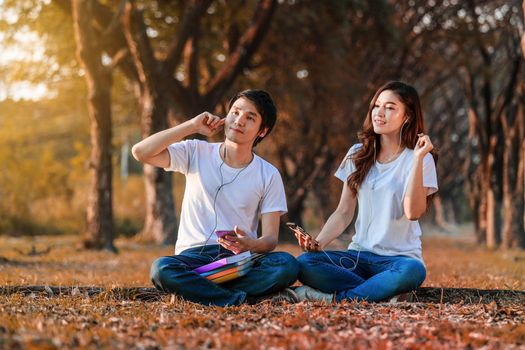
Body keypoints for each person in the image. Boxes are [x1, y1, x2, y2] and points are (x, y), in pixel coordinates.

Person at [132, 89, 298, 306]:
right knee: (162, 269)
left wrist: (250, 244)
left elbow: (269, 240)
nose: (239, 121)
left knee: (286, 264)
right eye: (235, 112)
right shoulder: (196, 152)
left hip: (238, 261)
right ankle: (237, 299)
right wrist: (191, 126)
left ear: (262, 131)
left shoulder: (268, 174)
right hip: (194, 259)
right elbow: (140, 152)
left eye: (250, 118)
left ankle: (201, 290)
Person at [294, 81, 438, 303]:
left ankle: (334, 299)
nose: (379, 113)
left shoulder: (420, 158)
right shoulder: (357, 154)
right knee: (305, 263)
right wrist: (319, 243)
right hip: (357, 258)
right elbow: (343, 212)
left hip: (398, 261)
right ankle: (380, 293)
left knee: (413, 272)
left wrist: (417, 160)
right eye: (376, 106)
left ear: (407, 117)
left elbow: (413, 212)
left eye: (390, 108)